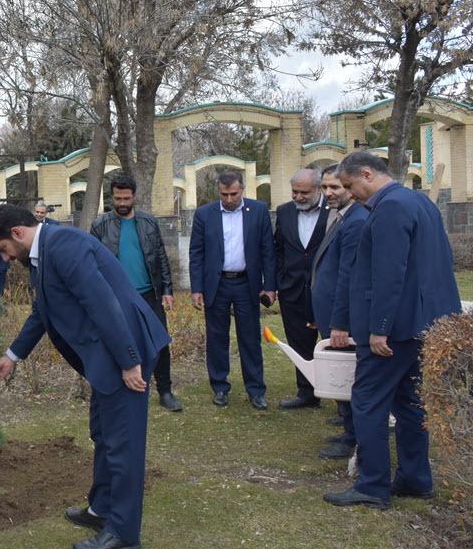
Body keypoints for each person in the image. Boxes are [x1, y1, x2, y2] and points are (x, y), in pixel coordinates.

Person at [0, 205, 169, 549]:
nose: (3, 257)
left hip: (125, 350)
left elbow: (103, 304)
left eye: (2, 249)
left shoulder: (64, 245)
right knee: (103, 433)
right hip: (108, 356)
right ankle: (101, 510)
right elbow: (43, 311)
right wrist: (12, 356)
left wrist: (129, 363)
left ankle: (124, 532)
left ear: (17, 233)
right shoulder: (42, 254)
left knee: (123, 444)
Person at [323, 152, 461, 509]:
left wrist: (379, 329)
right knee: (411, 403)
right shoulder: (419, 202)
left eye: (351, 186)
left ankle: (372, 486)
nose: (351, 194)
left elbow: (389, 273)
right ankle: (415, 479)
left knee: (367, 402)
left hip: (394, 331)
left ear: (367, 174)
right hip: (424, 324)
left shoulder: (389, 208)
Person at [91, 173, 183, 412]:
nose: (122, 203)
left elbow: (161, 257)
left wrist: (167, 291)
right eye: (117, 198)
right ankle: (125, 387)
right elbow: (91, 264)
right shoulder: (100, 225)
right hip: (117, 298)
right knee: (121, 343)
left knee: (160, 343)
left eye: (126, 198)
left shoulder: (148, 222)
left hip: (149, 295)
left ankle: (165, 391)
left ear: (134, 197)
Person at [189, 170, 276, 410]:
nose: (229, 199)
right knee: (217, 337)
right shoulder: (205, 214)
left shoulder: (258, 211)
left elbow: (268, 250)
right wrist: (196, 288)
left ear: (242, 190)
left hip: (246, 283)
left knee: (250, 338)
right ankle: (220, 387)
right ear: (218, 191)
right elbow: (196, 253)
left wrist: (269, 285)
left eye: (233, 194)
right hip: (216, 285)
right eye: (224, 194)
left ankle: (256, 390)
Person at [310, 164, 368, 460]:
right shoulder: (340, 217)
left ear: (349, 187)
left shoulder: (356, 221)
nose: (329, 193)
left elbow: (349, 276)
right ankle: (349, 428)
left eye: (335, 187)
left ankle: (354, 439)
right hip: (332, 315)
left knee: (348, 378)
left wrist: (340, 323)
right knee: (342, 376)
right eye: (325, 188)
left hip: (344, 320)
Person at [274, 168, 328, 409]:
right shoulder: (284, 212)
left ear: (318, 189)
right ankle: (307, 393)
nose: (298, 197)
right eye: (294, 191)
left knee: (334, 344)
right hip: (293, 290)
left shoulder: (335, 211)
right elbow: (278, 249)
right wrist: (278, 281)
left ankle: (342, 399)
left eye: (304, 192)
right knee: (299, 342)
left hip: (325, 291)